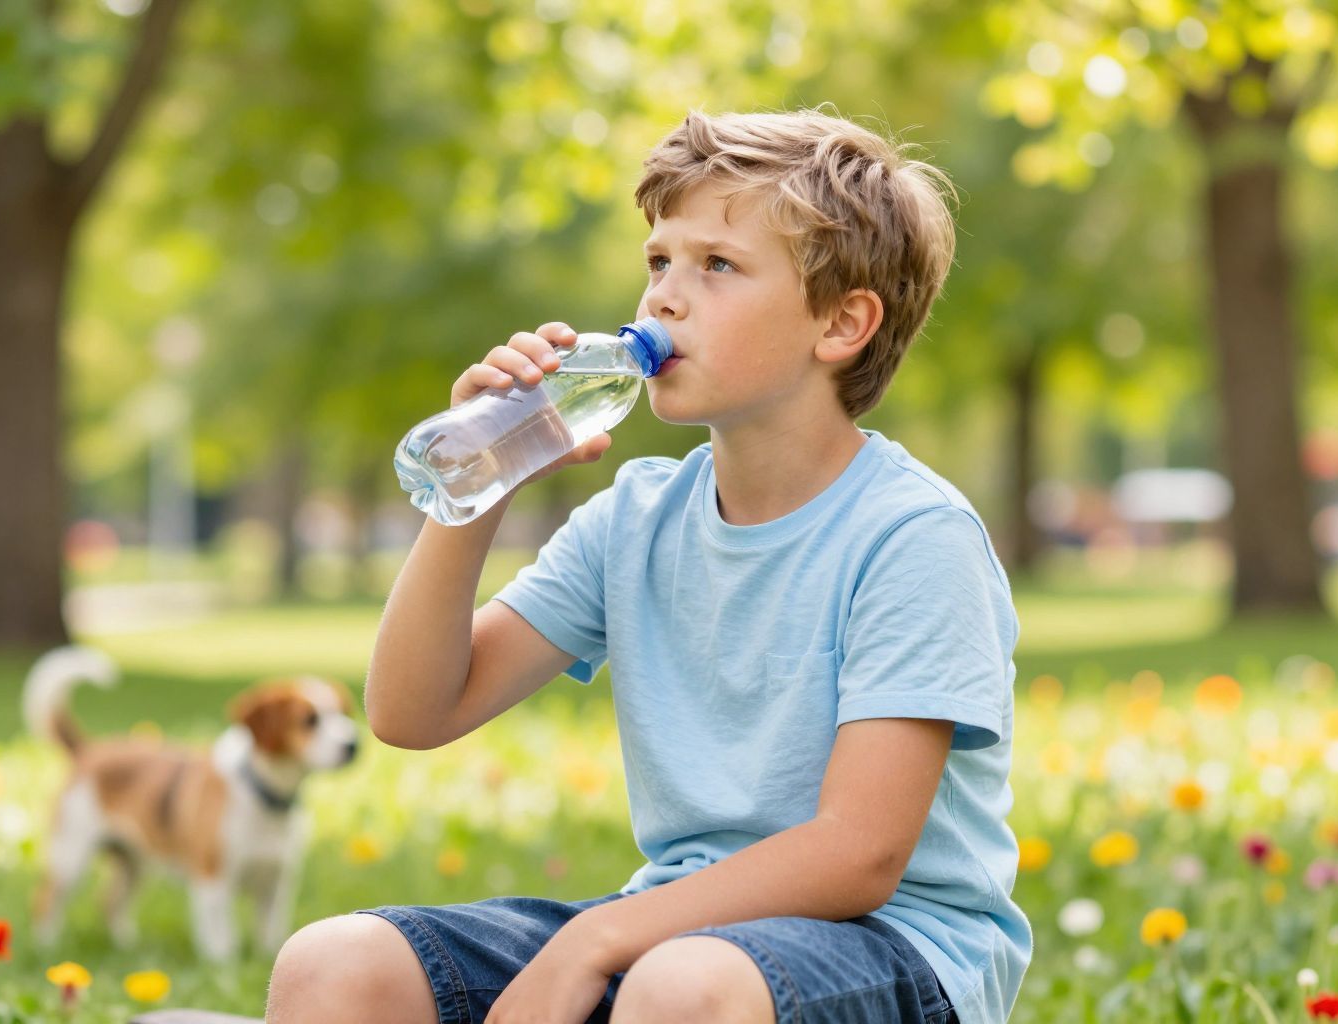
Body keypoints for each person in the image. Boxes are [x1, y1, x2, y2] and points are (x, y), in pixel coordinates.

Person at [267, 107, 1031, 1024]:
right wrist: (480, 481)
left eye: (717, 265)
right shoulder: (634, 517)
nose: (663, 297)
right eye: (658, 261)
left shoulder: (911, 535)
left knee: (680, 983)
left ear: (840, 323)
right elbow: (410, 710)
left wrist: (593, 944)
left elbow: (857, 854)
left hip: (894, 948)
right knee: (334, 966)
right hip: (672, 937)